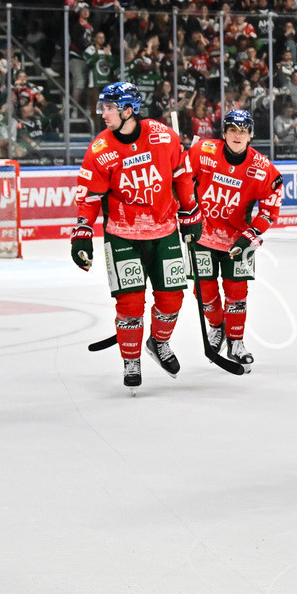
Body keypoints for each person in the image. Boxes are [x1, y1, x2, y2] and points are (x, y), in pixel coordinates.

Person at [70, 82, 200, 389]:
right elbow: (88, 196)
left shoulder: (162, 135)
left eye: (110, 108)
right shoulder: (100, 150)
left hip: (164, 230)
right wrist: (82, 233)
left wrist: (190, 210)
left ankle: (158, 341)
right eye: (103, 107)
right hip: (121, 235)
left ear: (129, 110)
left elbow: (181, 174)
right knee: (129, 304)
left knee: (171, 299)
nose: (103, 114)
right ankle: (131, 359)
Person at [187, 109, 282, 372]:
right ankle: (218, 327)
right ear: (224, 133)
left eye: (243, 131)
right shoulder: (203, 151)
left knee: (237, 293)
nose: (237, 135)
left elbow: (270, 209)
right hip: (201, 235)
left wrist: (250, 236)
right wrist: (185, 209)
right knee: (204, 293)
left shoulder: (262, 168)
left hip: (238, 239)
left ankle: (236, 342)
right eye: (232, 130)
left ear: (251, 135)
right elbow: (181, 179)